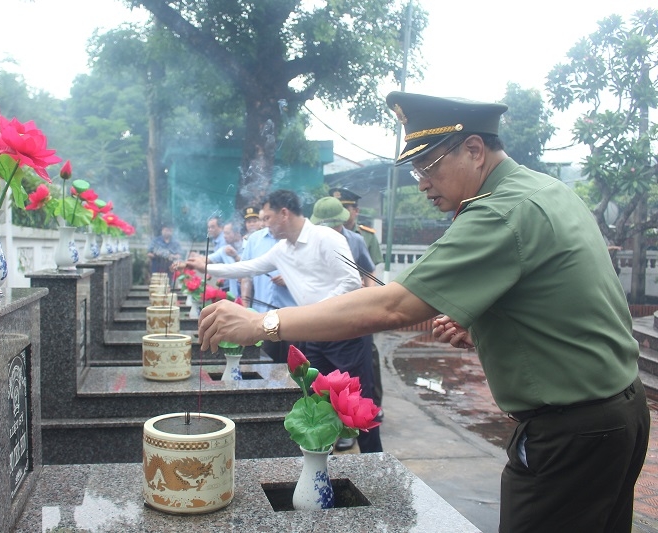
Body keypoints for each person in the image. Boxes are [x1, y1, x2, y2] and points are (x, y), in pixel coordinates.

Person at [196, 92, 649, 532]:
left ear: (474, 150)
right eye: (416, 171)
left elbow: (395, 304)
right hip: (617, 413)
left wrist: (264, 323)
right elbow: (567, 303)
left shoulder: (501, 212)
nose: (423, 183)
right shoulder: (544, 190)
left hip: (573, 433)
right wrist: (491, 329)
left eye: (428, 166)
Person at [187, 189, 382, 453]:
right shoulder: (282, 250)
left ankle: (376, 463)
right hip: (315, 334)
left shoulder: (326, 238)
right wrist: (207, 267)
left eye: (267, 217)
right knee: (314, 401)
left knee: (359, 404)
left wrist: (315, 311)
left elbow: (350, 282)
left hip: (346, 333)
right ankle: (319, 462)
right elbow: (249, 267)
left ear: (284, 214)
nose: (264, 223)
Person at [310, 195, 378, 450]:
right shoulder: (310, 246)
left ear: (343, 222)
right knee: (317, 395)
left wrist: (368, 297)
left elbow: (368, 274)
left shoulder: (356, 240)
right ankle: (319, 452)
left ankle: (374, 458)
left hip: (351, 329)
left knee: (361, 396)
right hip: (318, 329)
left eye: (334, 225)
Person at [327, 190, 386, 418]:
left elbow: (371, 270)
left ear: (355, 211)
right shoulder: (322, 236)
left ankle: (373, 405)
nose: (342, 213)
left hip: (360, 306)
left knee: (367, 358)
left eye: (347, 208)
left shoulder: (363, 237)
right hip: (335, 309)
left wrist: (368, 297)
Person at [240, 209, 297, 363]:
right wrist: (245, 307)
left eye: (268, 217)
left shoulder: (295, 237)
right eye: (264, 218)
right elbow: (246, 276)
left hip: (293, 317)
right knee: (264, 365)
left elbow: (310, 272)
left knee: (294, 368)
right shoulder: (254, 240)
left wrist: (289, 278)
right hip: (263, 317)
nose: (265, 222)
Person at [330, 188, 383, 266]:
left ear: (356, 211)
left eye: (345, 208)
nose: (341, 212)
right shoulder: (326, 234)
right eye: (337, 208)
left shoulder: (368, 236)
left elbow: (372, 267)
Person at [202, 221, 243, 297]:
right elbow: (207, 259)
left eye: (227, 233)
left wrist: (235, 256)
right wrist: (189, 262)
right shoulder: (225, 249)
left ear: (237, 233)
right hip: (235, 297)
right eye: (224, 233)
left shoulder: (248, 246)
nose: (224, 236)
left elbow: (248, 266)